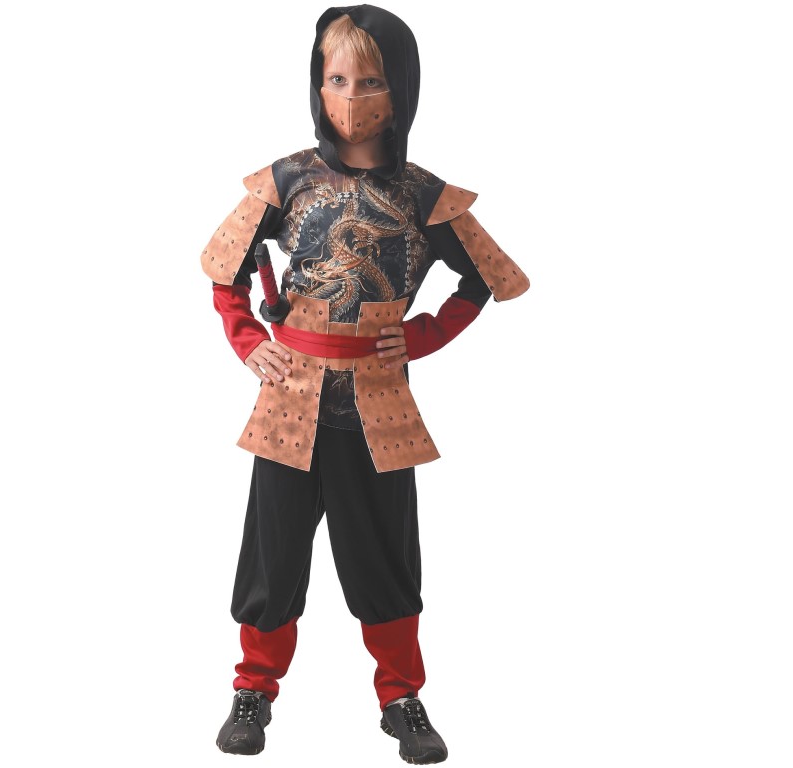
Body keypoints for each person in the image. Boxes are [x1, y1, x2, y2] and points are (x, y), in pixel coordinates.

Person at [199, 4, 529, 763]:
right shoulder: (286, 180)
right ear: (317, 84)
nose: (351, 97)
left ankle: (401, 697)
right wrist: (248, 342)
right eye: (337, 79)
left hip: (380, 401)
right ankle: (253, 688)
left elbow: (487, 280)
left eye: (371, 81)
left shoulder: (422, 194)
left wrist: (423, 335)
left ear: (400, 88)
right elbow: (223, 271)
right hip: (289, 397)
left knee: (385, 555)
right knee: (273, 551)